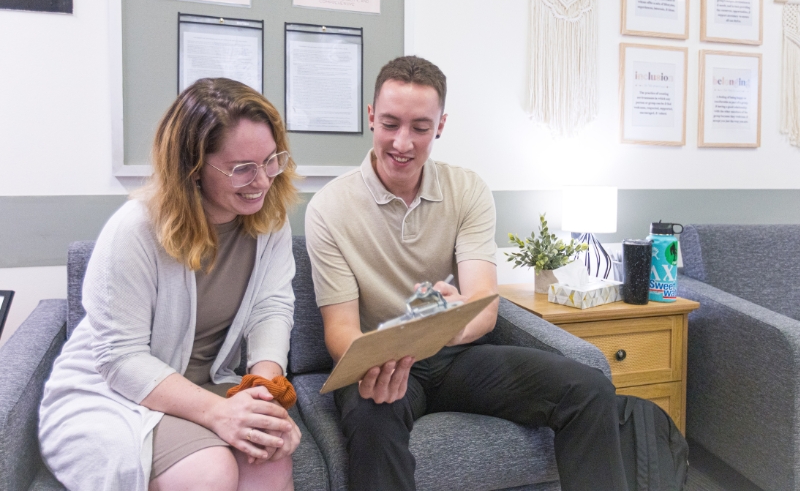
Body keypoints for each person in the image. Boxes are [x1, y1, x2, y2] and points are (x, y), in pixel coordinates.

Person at [305, 56, 628, 491]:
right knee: (372, 422)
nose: (402, 142)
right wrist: (379, 358)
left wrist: (447, 324)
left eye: (420, 127)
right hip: (380, 362)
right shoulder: (329, 207)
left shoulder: (467, 190)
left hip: (455, 356)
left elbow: (483, 308)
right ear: (370, 118)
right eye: (390, 124)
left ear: (440, 125)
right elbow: (339, 329)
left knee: (589, 388)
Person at [39, 78, 302, 491]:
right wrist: (219, 414)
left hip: (208, 382)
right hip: (117, 391)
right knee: (210, 472)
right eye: (242, 169)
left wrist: (265, 394)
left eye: (271, 161)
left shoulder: (270, 221)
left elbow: (272, 308)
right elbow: (121, 359)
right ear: (194, 168)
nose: (263, 181)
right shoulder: (135, 229)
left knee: (268, 462)